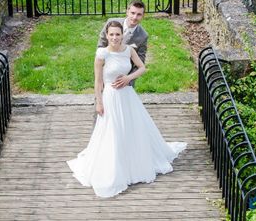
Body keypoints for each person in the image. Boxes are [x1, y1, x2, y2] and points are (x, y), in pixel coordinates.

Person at [67, 21, 186, 197]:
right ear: (106, 36)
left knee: (132, 128)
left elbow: (142, 67)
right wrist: (99, 102)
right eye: (111, 34)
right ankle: (116, 167)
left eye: (118, 34)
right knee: (113, 131)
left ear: (122, 34)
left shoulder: (128, 50)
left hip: (127, 96)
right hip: (110, 97)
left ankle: (134, 163)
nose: (115, 37)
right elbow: (98, 81)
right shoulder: (102, 54)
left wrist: (128, 78)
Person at [97, 0, 148, 87]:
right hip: (106, 73)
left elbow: (140, 62)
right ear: (127, 12)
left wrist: (128, 79)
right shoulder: (111, 23)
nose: (135, 17)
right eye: (132, 13)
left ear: (143, 16)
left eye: (139, 14)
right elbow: (101, 47)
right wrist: (101, 74)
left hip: (125, 79)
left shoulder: (143, 36)